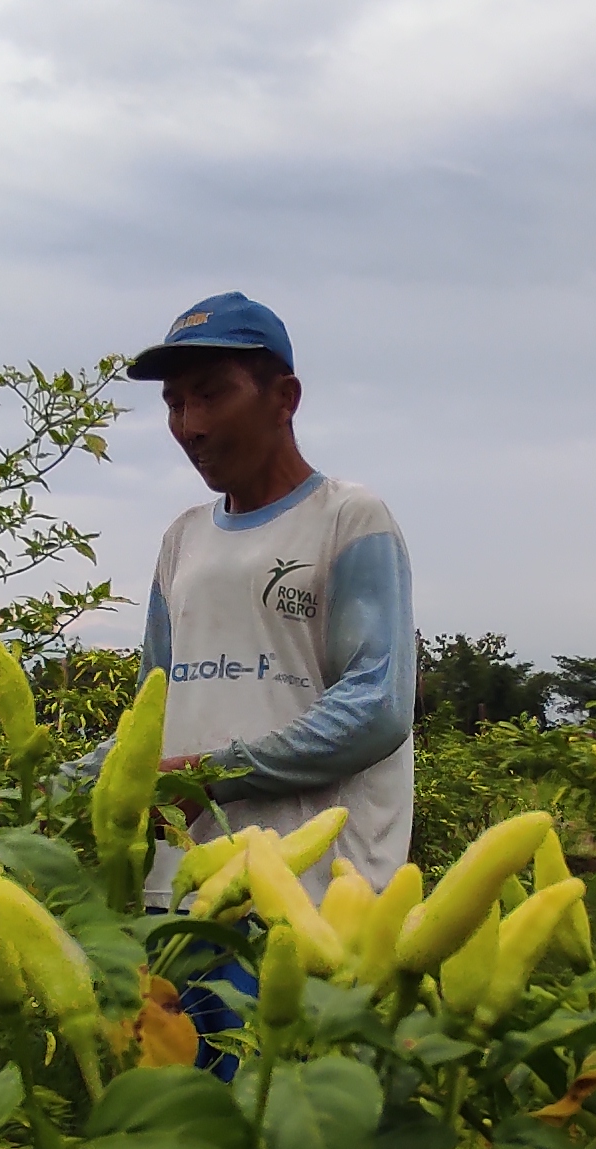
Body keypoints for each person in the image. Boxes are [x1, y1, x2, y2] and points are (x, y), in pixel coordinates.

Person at [125, 291, 416, 906]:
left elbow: (375, 707)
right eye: (174, 404)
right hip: (181, 901)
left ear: (285, 398)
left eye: (210, 395)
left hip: (311, 901)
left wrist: (208, 776)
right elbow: (152, 713)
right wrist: (60, 787)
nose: (190, 426)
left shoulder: (349, 520)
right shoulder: (182, 541)